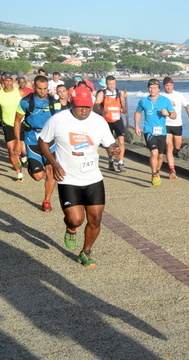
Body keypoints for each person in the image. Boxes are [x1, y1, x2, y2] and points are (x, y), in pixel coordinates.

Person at [38, 86, 119, 267]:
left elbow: (109, 143)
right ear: (72, 103)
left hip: (93, 178)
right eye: (80, 106)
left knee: (95, 219)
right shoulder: (58, 120)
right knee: (76, 219)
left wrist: (113, 149)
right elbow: (43, 141)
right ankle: (71, 227)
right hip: (68, 178)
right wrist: (54, 164)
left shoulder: (99, 121)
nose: (84, 110)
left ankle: (86, 252)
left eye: (87, 107)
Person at [14, 75, 62, 211]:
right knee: (38, 176)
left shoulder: (54, 102)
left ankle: (47, 201)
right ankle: (30, 165)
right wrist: (18, 142)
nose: (43, 91)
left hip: (49, 141)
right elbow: (17, 121)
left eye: (45, 88)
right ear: (34, 87)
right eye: (40, 89)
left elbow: (60, 122)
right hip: (32, 138)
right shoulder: (25, 102)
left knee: (50, 171)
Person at [134, 78, 176, 186]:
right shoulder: (143, 101)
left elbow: (174, 115)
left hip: (162, 132)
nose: (152, 90)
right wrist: (136, 126)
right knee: (154, 153)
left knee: (160, 156)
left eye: (154, 88)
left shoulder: (165, 101)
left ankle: (157, 171)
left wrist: (168, 114)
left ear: (159, 89)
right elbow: (138, 113)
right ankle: (154, 174)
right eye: (150, 87)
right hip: (149, 131)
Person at [0, 73, 25, 181]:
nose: (9, 83)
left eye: (10, 80)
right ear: (2, 82)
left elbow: (28, 105)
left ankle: (24, 158)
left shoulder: (20, 92)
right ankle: (19, 172)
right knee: (11, 150)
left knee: (23, 150)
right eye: (6, 81)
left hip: (21, 123)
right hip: (7, 124)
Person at [162, 76, 189, 178]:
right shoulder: (161, 96)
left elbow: (187, 107)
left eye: (170, 85)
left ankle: (172, 155)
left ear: (173, 85)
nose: (169, 87)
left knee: (177, 146)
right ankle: (172, 170)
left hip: (177, 124)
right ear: (163, 86)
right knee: (169, 146)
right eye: (167, 85)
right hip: (165, 124)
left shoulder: (179, 95)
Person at [94, 75, 128, 173]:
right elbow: (95, 107)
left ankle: (120, 162)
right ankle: (111, 160)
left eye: (113, 84)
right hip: (107, 120)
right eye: (109, 84)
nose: (112, 86)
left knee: (121, 141)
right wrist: (101, 112)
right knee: (109, 142)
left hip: (118, 119)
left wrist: (124, 109)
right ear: (106, 84)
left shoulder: (119, 93)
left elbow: (123, 106)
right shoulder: (102, 93)